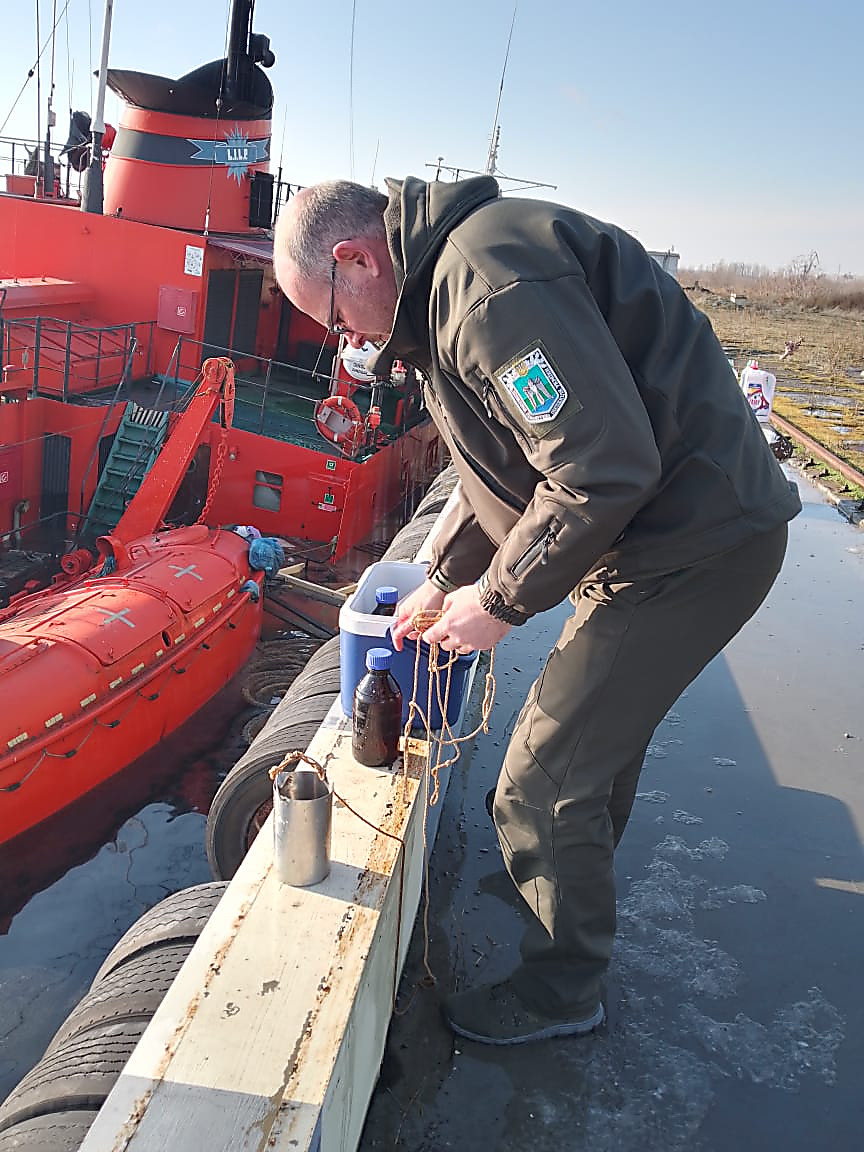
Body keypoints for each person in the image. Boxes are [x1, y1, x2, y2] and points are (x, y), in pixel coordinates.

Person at [274, 176, 801, 1046]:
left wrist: (497, 602)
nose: (349, 343)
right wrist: (443, 572)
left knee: (541, 783)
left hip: (692, 547)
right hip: (666, 531)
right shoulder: (455, 278)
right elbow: (509, 465)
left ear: (355, 259)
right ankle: (559, 896)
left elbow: (600, 470)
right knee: (589, 754)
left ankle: (563, 990)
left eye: (335, 318)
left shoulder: (484, 291)